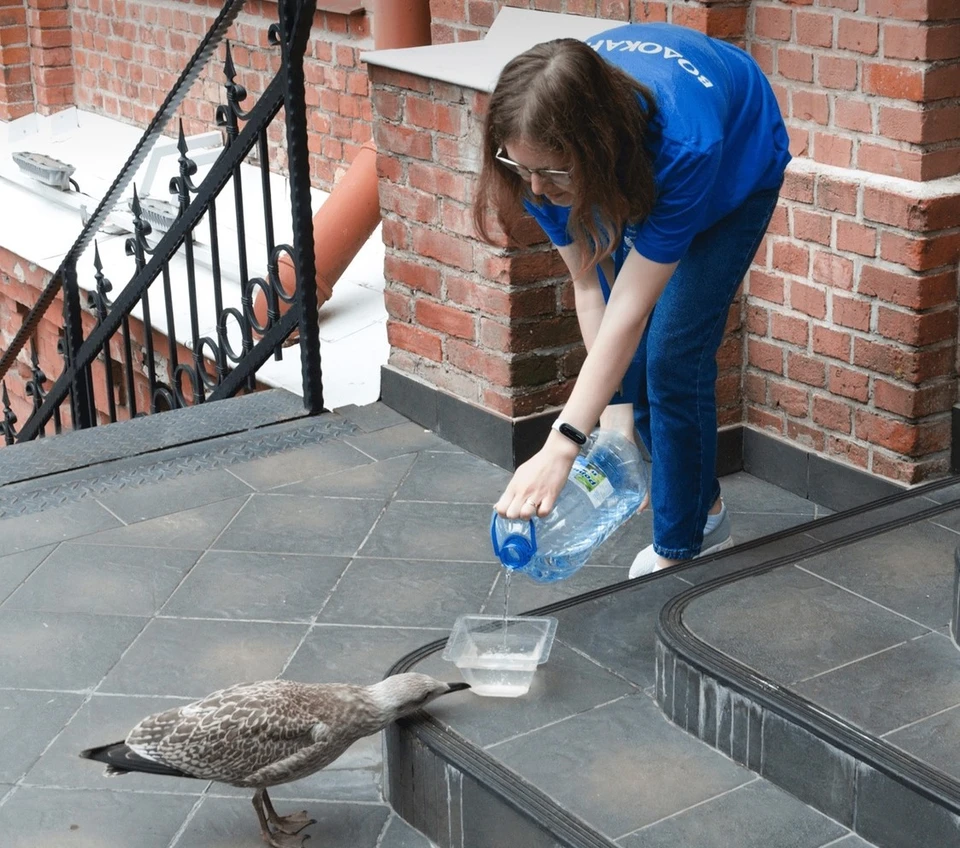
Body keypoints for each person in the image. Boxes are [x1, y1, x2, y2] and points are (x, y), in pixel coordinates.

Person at [473, 22, 791, 577]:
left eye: (547, 173)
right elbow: (591, 286)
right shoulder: (539, 165)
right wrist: (614, 423)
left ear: (594, 145)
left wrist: (563, 442)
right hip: (621, 166)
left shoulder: (685, 147)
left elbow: (631, 310)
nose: (536, 189)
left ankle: (680, 544)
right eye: (520, 168)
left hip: (735, 159)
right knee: (633, 362)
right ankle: (705, 510)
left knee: (671, 356)